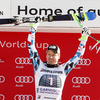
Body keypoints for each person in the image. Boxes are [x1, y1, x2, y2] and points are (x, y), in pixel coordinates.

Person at [27, 22, 91, 100]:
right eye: (49, 54)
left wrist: (84, 38)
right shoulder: (38, 66)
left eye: (54, 55)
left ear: (59, 56)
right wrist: (32, 28)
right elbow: (31, 46)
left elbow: (78, 57)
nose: (51, 57)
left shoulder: (63, 69)